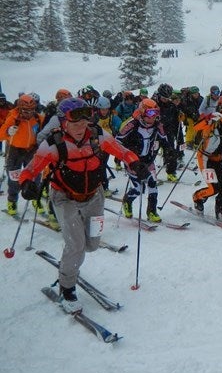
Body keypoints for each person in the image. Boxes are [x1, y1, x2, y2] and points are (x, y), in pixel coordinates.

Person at [17, 97, 148, 313]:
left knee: (92, 244)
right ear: (62, 123)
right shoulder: (53, 144)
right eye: (74, 123)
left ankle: (71, 262)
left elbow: (122, 151)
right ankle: (66, 287)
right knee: (76, 245)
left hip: (94, 197)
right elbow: (30, 169)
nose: (80, 128)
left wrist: (135, 162)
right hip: (64, 198)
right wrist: (26, 183)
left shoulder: (98, 136)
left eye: (83, 123)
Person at [116, 98, 172, 223]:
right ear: (142, 112)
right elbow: (117, 141)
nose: (153, 117)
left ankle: (152, 211)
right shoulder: (132, 124)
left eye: (156, 113)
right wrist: (128, 155)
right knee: (139, 189)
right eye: (150, 113)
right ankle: (127, 201)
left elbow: (164, 139)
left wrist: (169, 151)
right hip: (134, 162)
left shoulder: (157, 124)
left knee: (153, 184)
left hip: (148, 159)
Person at [191, 93, 222, 224]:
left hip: (221, 159)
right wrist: (209, 119)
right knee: (213, 189)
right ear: (221, 107)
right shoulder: (213, 120)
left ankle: (220, 210)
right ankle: (197, 197)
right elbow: (196, 127)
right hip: (206, 159)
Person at [0, 94, 45, 216]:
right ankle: (12, 201)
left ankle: (36, 199)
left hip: (31, 150)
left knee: (35, 176)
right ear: (20, 108)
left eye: (31, 110)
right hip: (14, 150)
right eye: (25, 110)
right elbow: (1, 134)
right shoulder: (13, 117)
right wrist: (8, 131)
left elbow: (46, 129)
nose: (28, 113)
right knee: (14, 178)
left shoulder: (37, 118)